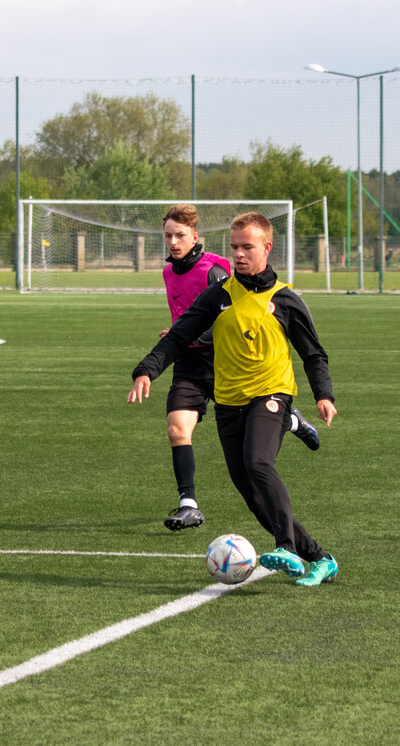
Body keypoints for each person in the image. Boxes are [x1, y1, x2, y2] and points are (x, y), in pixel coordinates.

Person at [128, 212, 339, 586]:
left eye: (248, 247)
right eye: (235, 247)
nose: (239, 254)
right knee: (252, 494)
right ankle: (321, 558)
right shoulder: (219, 295)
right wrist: (147, 369)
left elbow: (313, 354)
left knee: (258, 462)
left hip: (272, 393)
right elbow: (179, 336)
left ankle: (287, 547)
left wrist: (324, 394)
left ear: (267, 248)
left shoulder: (285, 299)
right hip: (228, 401)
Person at [154, 204, 231, 531]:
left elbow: (230, 322)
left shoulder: (214, 271)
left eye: (180, 235)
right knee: (176, 429)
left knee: (245, 445)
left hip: (226, 361)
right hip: (188, 362)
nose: (173, 241)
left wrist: (184, 333)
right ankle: (189, 505)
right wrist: (178, 335)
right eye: (168, 235)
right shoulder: (168, 272)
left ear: (195, 236)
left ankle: (290, 418)